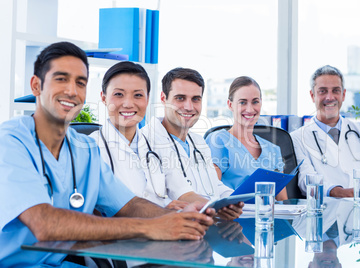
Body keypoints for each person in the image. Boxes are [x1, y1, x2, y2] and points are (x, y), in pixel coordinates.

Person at [0, 42, 213, 267]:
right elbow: (44, 223)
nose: (72, 91)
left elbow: (129, 205)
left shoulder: (84, 149)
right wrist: (151, 227)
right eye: (61, 79)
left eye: (80, 83)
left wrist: (177, 220)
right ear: (36, 86)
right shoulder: (10, 141)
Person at [90, 61, 212, 209]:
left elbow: (182, 191)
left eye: (138, 95)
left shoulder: (157, 143)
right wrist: (160, 212)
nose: (128, 103)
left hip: (162, 228)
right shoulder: (91, 148)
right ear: (103, 98)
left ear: (147, 99)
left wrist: (220, 207)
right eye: (119, 94)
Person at [141, 67, 243, 220]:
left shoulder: (198, 142)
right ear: (163, 98)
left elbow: (215, 185)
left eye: (196, 99)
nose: (189, 107)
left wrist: (235, 202)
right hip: (173, 231)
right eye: (180, 98)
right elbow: (180, 192)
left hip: (208, 225)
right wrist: (217, 206)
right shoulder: (147, 141)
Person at [290, 65, 360, 198]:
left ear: (343, 95)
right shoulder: (297, 138)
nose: (330, 97)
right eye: (323, 91)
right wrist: (339, 192)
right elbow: (306, 180)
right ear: (312, 95)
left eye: (335, 90)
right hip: (329, 212)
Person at [205, 76, 288, 201]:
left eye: (255, 102)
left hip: (267, 219)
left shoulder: (273, 149)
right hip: (233, 217)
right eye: (242, 102)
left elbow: (283, 202)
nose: (250, 109)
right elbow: (212, 194)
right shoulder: (218, 141)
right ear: (230, 105)